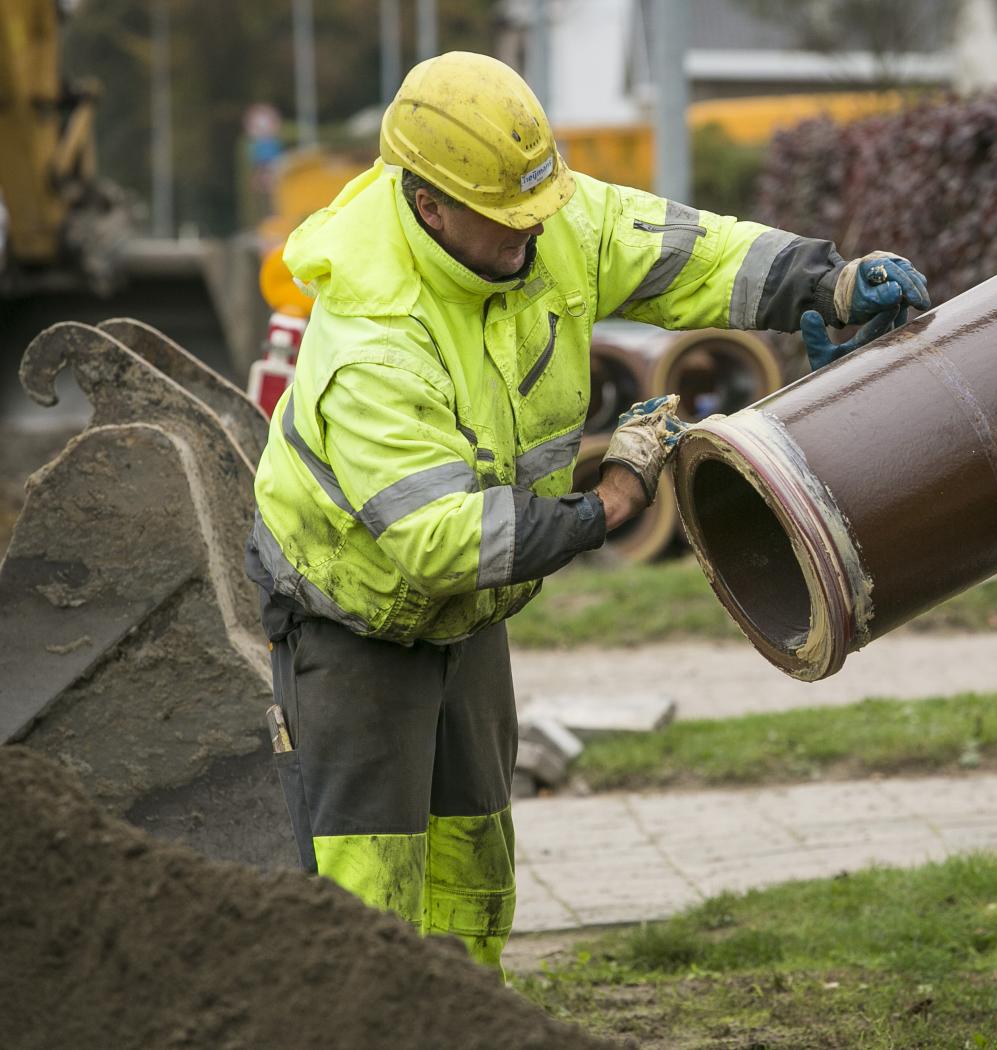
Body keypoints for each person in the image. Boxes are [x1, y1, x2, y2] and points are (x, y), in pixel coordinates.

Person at [245, 51, 930, 976]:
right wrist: (611, 501)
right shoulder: (375, 340)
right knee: (367, 896)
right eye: (508, 219)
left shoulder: (541, 219)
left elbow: (689, 248)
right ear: (428, 205)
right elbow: (443, 543)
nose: (533, 234)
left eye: (540, 207)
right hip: (356, 617)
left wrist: (826, 281)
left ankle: (470, 1026)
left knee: (474, 868)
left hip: (469, 617)